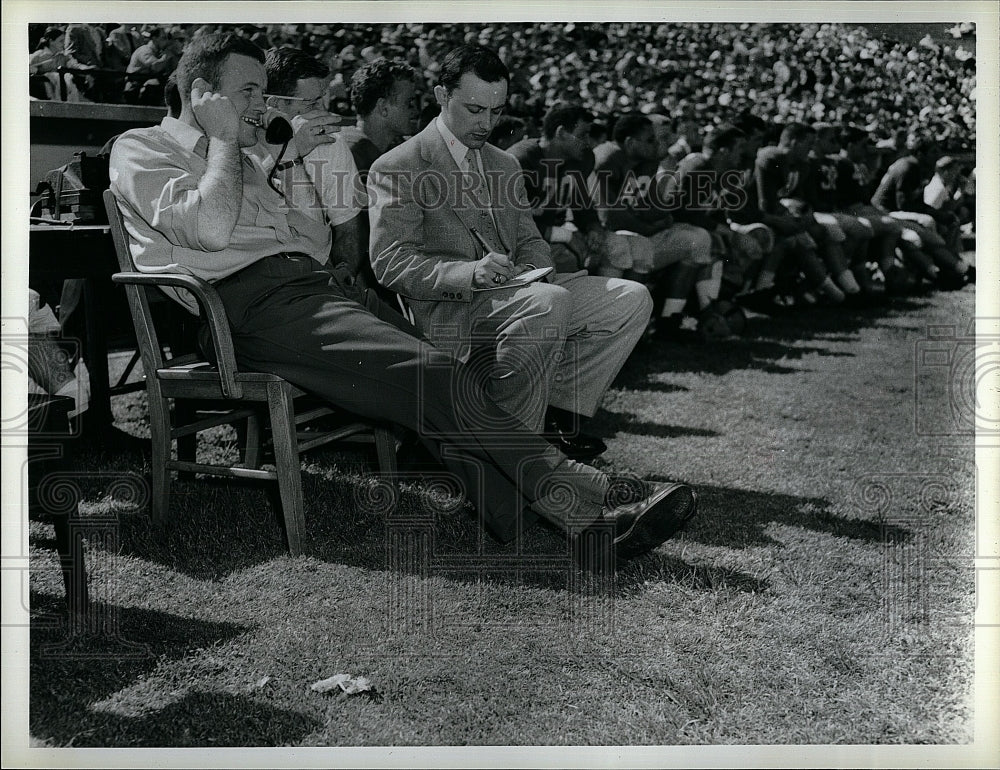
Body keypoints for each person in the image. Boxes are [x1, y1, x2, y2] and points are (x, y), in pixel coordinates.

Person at [108, 32, 697, 562]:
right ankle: (591, 500)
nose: (262, 104)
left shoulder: (240, 155)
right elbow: (210, 231)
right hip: (243, 306)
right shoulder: (143, 146)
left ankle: (551, 524)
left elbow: (308, 242)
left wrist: (286, 163)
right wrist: (224, 142)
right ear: (204, 92)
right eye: (251, 91)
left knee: (443, 381)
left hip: (308, 289)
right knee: (433, 376)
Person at [368, 45, 653, 461]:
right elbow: (391, 262)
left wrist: (534, 268)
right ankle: (514, 453)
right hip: (450, 310)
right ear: (441, 96)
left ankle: (554, 418)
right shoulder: (397, 165)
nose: (486, 123)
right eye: (474, 109)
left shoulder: (503, 164)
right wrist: (471, 274)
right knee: (548, 302)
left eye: (496, 112)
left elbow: (530, 240)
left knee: (630, 299)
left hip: (520, 295)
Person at [255, 47, 365, 274]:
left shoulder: (329, 141)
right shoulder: (241, 138)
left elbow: (348, 229)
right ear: (274, 104)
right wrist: (292, 151)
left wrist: (341, 279)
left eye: (322, 100)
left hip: (317, 277)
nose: (322, 110)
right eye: (312, 103)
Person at [507, 103, 607, 274]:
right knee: (565, 262)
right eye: (582, 135)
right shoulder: (519, 160)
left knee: (613, 249)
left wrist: (593, 227)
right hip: (519, 245)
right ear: (560, 132)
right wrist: (564, 235)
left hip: (554, 233)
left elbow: (580, 201)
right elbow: (509, 223)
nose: (588, 142)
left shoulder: (579, 159)